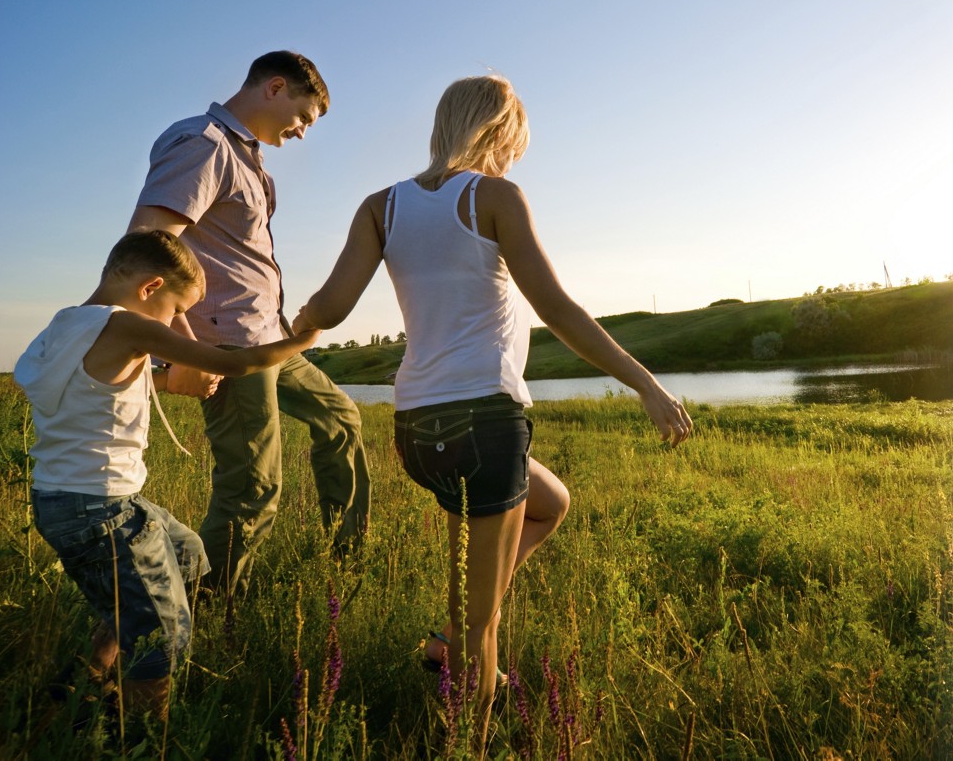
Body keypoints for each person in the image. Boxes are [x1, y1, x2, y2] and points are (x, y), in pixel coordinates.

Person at [293, 74, 693, 747]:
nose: (515, 156)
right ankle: (467, 735)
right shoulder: (495, 196)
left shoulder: (379, 206)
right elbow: (559, 310)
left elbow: (327, 310)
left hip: (416, 428)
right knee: (485, 628)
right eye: (516, 142)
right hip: (484, 423)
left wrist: (277, 335)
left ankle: (449, 639)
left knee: (551, 502)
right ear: (499, 131)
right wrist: (648, 385)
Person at [15, 230, 319, 722]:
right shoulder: (130, 326)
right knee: (163, 633)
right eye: (178, 310)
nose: (179, 324)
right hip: (103, 510)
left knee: (185, 551)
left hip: (63, 501)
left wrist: (160, 379)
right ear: (151, 287)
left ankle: (88, 679)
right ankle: (137, 735)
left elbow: (89, 383)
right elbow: (238, 362)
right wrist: (305, 336)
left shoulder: (65, 325)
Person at [127, 51, 370, 595]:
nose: (304, 132)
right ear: (275, 87)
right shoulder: (204, 144)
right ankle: (193, 614)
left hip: (268, 338)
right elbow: (146, 245)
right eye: (304, 116)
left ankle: (346, 562)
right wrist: (184, 351)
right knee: (253, 492)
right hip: (227, 347)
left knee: (342, 420)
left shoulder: (248, 158)